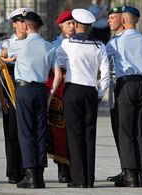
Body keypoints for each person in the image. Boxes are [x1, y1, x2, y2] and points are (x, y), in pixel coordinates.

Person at [106, 5, 142, 187]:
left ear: (123, 20)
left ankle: (129, 174)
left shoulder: (115, 42)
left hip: (125, 84)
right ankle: (140, 172)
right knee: (140, 129)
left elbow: (104, 64)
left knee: (125, 129)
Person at [7, 11, 62, 189]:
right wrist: (51, 93)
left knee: (25, 132)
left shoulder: (19, 45)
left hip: (24, 89)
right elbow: (58, 75)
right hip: (41, 90)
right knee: (40, 131)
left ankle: (30, 174)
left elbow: (3, 54)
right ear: (40, 26)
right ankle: (39, 176)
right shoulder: (50, 47)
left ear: (26, 25)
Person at [57, 8, 110, 188]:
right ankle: (89, 179)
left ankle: (78, 179)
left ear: (77, 24)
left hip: (73, 90)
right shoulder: (100, 46)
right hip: (90, 91)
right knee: (89, 135)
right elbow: (105, 75)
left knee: (74, 135)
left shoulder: (66, 44)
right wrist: (100, 94)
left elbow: (59, 65)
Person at [0, 7, 33, 184]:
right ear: (14, 24)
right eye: (21, 21)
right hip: (11, 90)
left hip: (28, 89)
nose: (24, 25)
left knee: (28, 132)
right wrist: (2, 97)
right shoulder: (6, 45)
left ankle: (28, 169)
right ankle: (13, 172)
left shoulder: (32, 42)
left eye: (26, 21)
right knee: (12, 132)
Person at [46, 10, 74, 183]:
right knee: (58, 129)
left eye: (73, 23)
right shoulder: (53, 45)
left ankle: (75, 166)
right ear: (61, 25)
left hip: (75, 86)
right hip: (58, 89)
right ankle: (62, 168)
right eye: (68, 23)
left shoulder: (82, 41)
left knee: (74, 128)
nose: (72, 26)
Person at [105, 6, 124, 182]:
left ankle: (131, 169)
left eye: (113, 17)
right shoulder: (112, 42)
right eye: (109, 18)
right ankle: (124, 167)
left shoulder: (126, 40)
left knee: (125, 130)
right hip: (113, 89)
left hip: (125, 89)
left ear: (123, 19)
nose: (109, 21)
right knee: (117, 129)